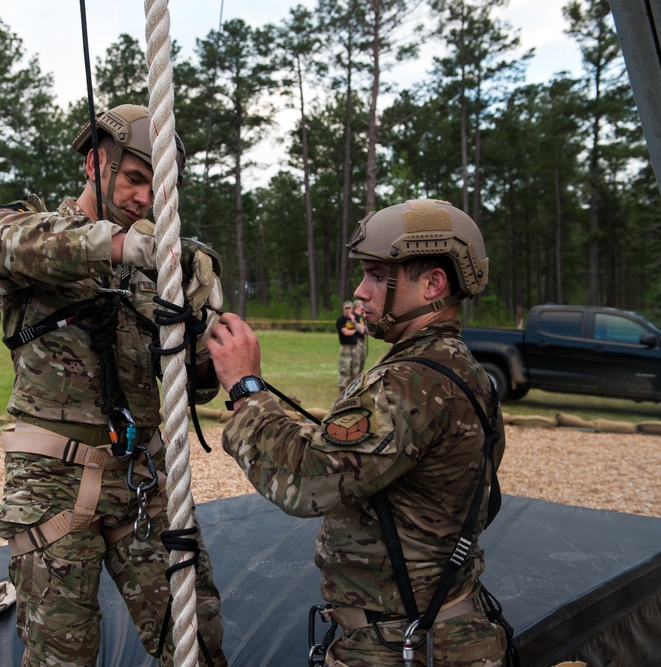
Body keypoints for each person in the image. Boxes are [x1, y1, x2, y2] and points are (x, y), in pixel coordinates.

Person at [0, 103, 227, 666]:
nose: (145, 199)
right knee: (62, 652)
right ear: (94, 163)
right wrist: (119, 245)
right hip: (53, 482)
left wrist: (203, 323)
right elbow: (0, 245)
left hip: (142, 476)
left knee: (195, 640)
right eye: (135, 179)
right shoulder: (29, 231)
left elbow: (196, 385)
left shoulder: (154, 268)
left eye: (157, 187)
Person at [207, 199, 509, 666]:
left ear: (432, 284)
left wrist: (246, 389)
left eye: (375, 275)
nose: (360, 291)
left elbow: (306, 483)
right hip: (442, 630)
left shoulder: (412, 383)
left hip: (400, 646)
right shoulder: (461, 370)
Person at [335, 301, 364, 393]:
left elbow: (362, 330)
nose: (347, 310)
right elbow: (346, 332)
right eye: (346, 308)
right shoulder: (341, 320)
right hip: (346, 347)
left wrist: (354, 322)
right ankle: (342, 388)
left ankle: (353, 388)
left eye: (349, 308)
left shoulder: (355, 319)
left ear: (352, 309)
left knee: (355, 368)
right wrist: (356, 329)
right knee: (345, 368)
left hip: (355, 346)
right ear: (343, 309)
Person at [352, 299, 367, 374]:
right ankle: (355, 380)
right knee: (356, 362)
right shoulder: (354, 317)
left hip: (362, 341)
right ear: (358, 306)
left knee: (362, 361)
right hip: (357, 342)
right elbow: (361, 330)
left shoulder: (360, 317)